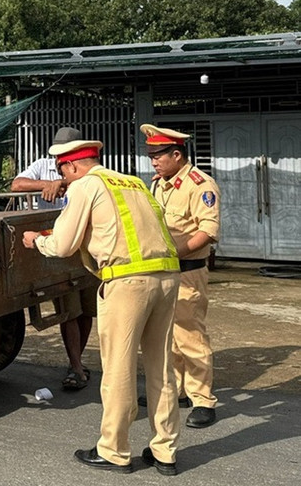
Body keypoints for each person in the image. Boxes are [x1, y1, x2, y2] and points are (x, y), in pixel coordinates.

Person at [22, 136, 182, 475]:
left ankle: (113, 450)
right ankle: (165, 451)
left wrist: (37, 241)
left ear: (72, 165)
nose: (62, 178)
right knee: (161, 367)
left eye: (61, 170)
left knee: (119, 369)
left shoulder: (85, 186)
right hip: (167, 277)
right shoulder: (133, 181)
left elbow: (64, 244)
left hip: (127, 282)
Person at [139, 124, 221, 429]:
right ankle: (177, 390)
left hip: (188, 272)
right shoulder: (159, 183)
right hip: (165, 272)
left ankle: (202, 399)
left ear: (177, 154)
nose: (153, 161)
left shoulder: (200, 185)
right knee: (166, 336)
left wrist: (175, 252)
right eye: (150, 155)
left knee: (191, 336)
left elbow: (207, 232)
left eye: (158, 155)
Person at [12, 127, 96, 391]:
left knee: (86, 309)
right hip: (55, 243)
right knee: (69, 308)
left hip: (86, 245)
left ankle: (77, 361)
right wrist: (48, 184)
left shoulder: (87, 174)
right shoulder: (43, 166)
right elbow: (16, 185)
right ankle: (76, 365)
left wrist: (67, 183)